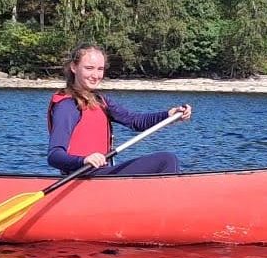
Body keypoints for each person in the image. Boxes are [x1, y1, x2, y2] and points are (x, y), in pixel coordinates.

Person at [47, 44, 190, 175]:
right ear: (74, 67)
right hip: (81, 176)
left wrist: (169, 115)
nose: (95, 75)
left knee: (168, 160)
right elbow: (54, 156)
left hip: (100, 175)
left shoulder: (100, 101)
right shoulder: (67, 105)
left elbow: (135, 121)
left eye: (100, 69)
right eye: (89, 68)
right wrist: (84, 160)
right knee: (166, 160)